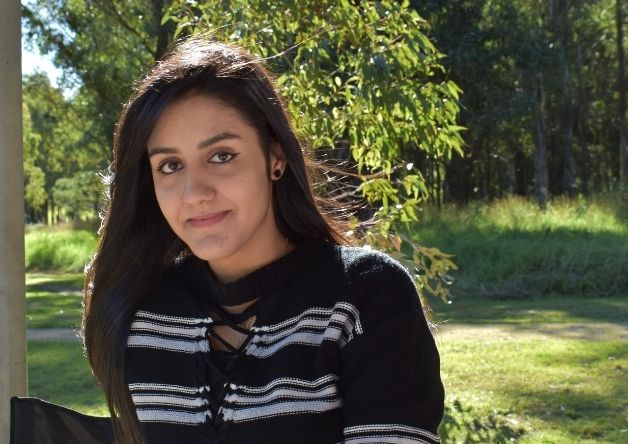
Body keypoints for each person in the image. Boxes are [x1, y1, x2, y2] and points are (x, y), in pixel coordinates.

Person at [82, 38, 444, 444]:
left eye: (221, 156)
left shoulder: (364, 296)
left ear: (275, 157)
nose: (194, 192)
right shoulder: (146, 317)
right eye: (170, 165)